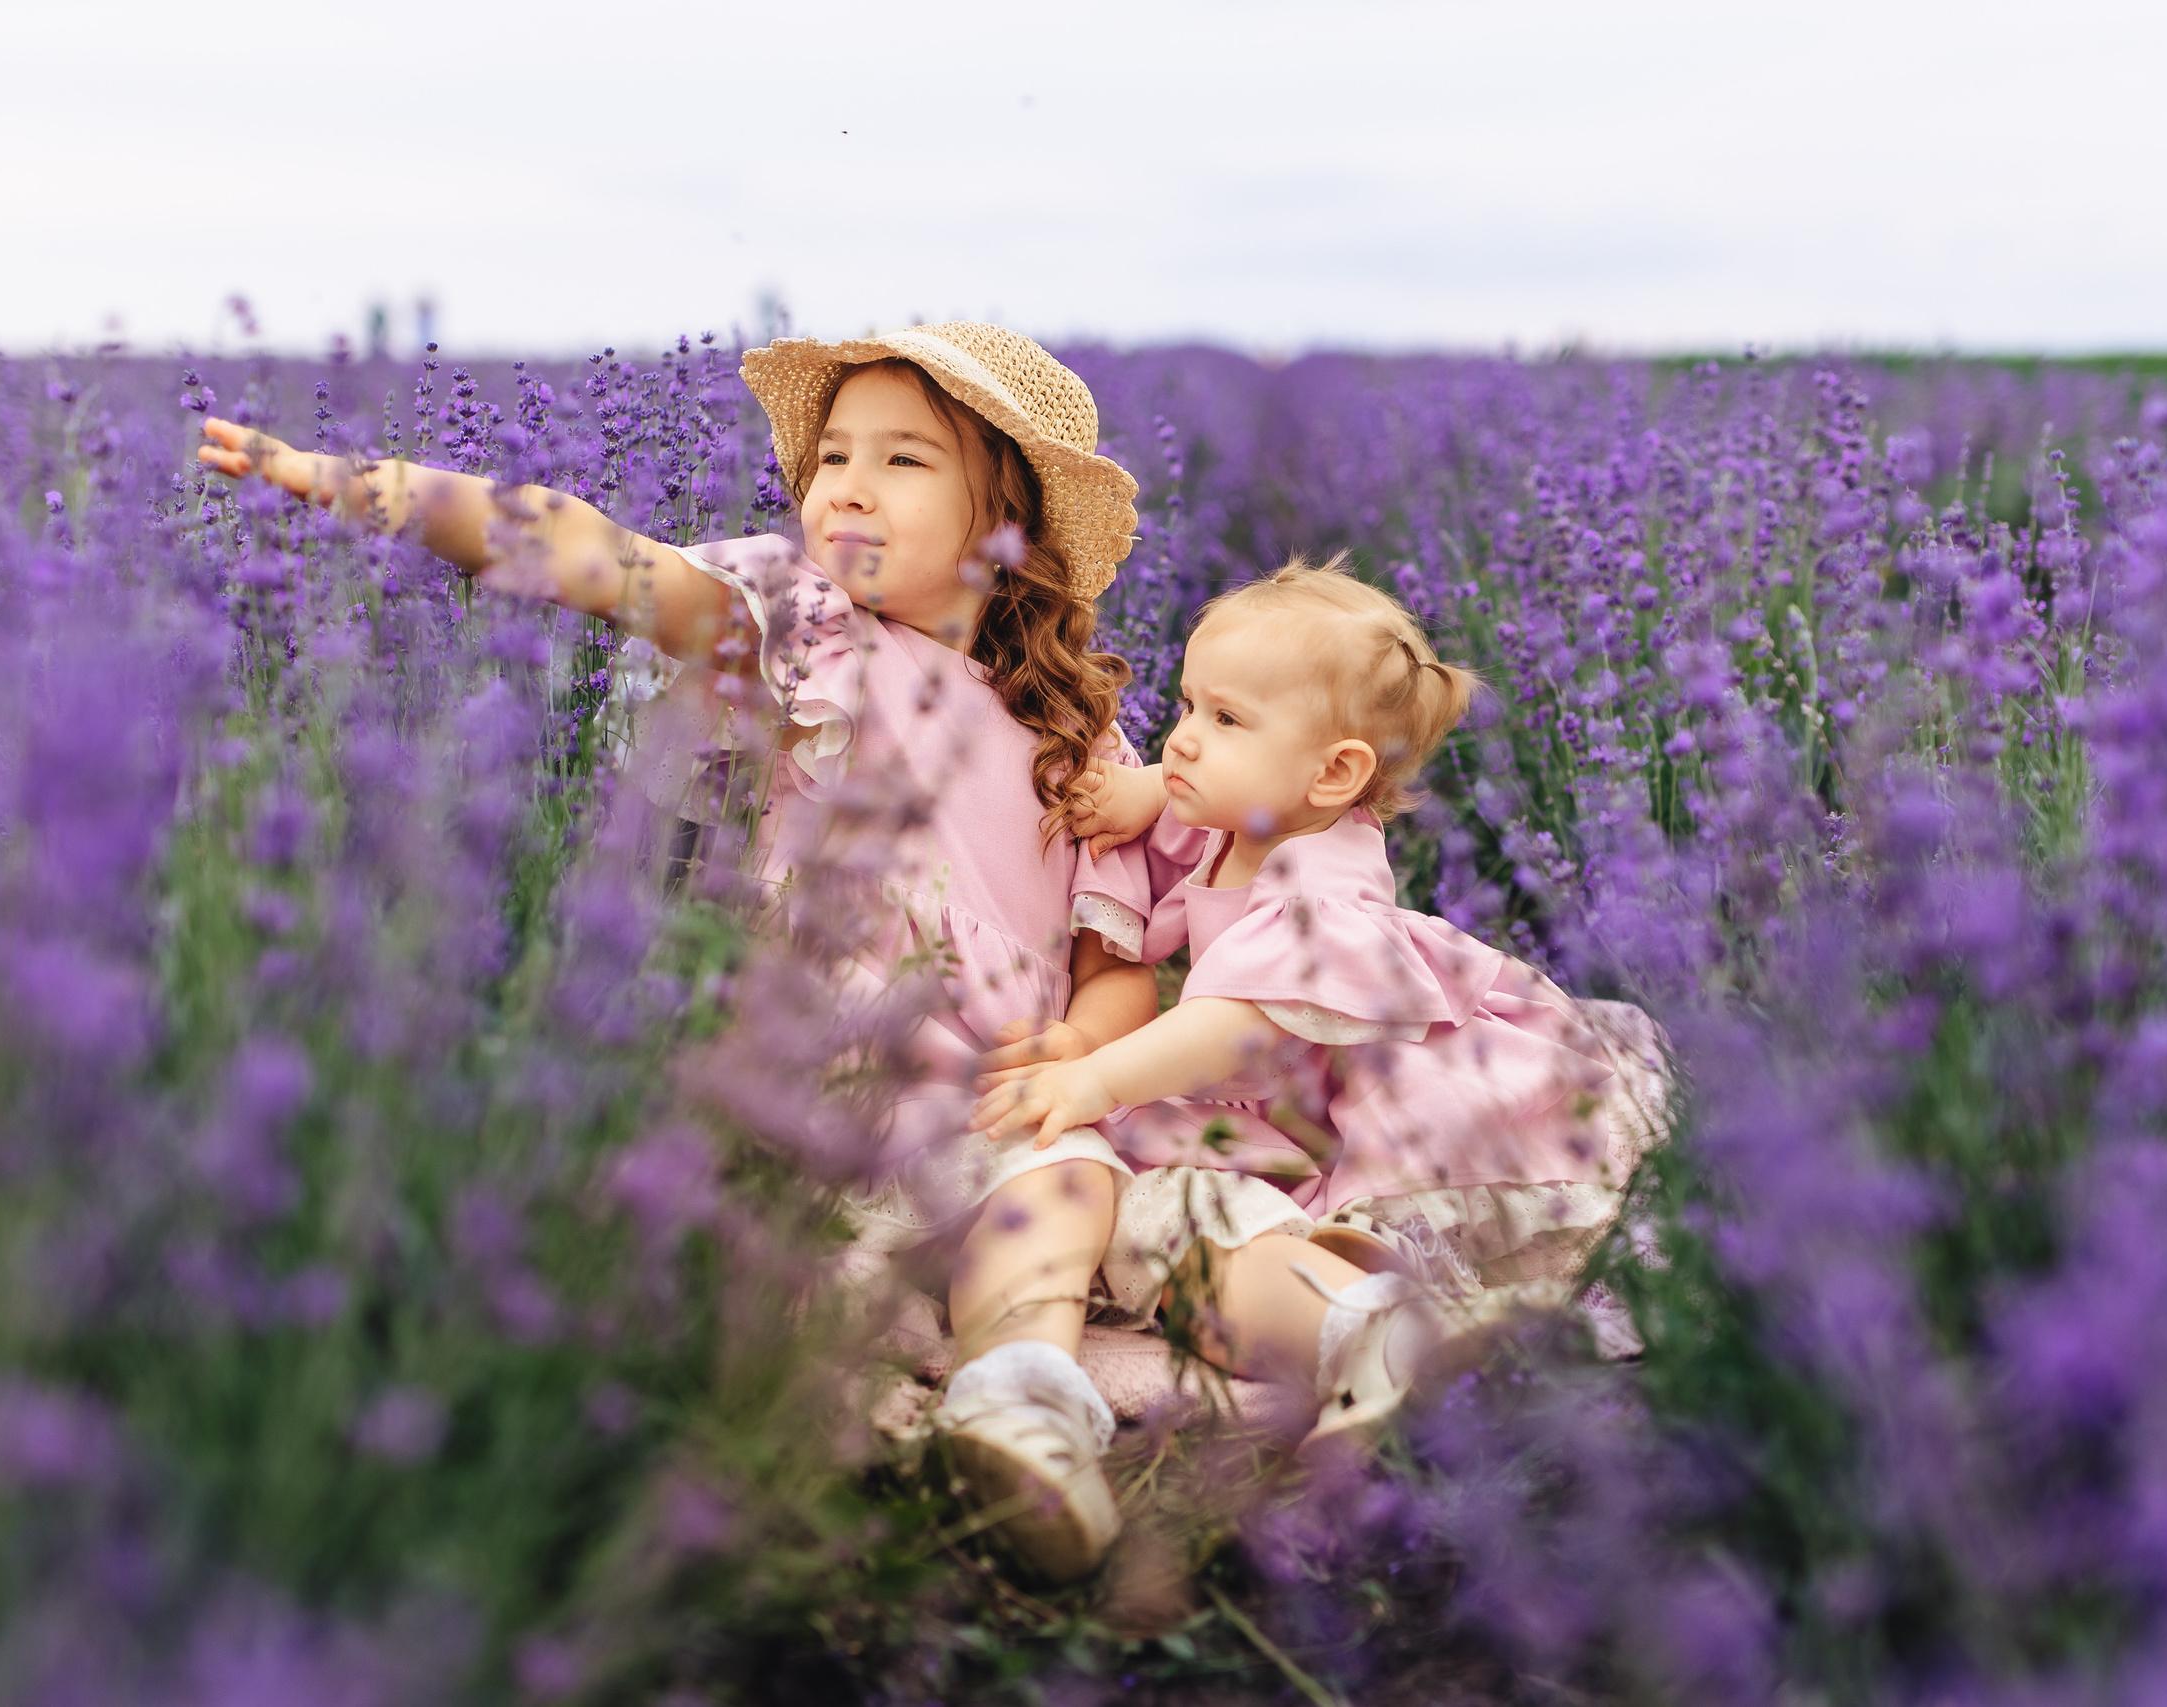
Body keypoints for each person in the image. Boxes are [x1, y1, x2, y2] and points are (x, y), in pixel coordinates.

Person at [200, 323, 1171, 1583]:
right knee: (767, 1251)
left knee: (1067, 1182)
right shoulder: (804, 633)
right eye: (830, 456)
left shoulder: (1080, 746)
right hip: (817, 1072)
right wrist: (355, 484)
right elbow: (591, 555)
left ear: (1013, 523)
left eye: (906, 460)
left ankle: (1019, 1409)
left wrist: (1080, 1054)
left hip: (999, 1099)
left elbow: (1119, 960)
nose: (848, 487)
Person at [974, 557, 1670, 1448]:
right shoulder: (1253, 809)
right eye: (1189, 704)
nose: (1183, 738)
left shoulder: (1322, 882)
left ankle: (1407, 1342)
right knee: (1207, 1238)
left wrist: (1096, 1080)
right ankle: (1371, 1344)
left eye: (1225, 718)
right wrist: (1143, 785)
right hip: (1302, 1095)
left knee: (1331, 1234)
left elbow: (1239, 1024)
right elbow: (1179, 801)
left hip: (1394, 1100)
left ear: (1335, 774)